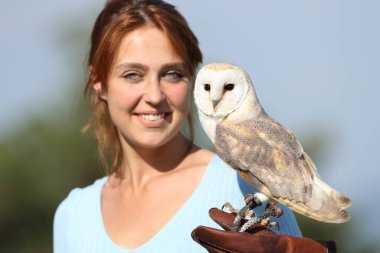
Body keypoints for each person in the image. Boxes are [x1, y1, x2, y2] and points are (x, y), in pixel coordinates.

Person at [53, 0, 309, 252]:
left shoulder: (246, 186)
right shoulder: (73, 215)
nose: (154, 96)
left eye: (172, 74)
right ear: (99, 81)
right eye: (133, 75)